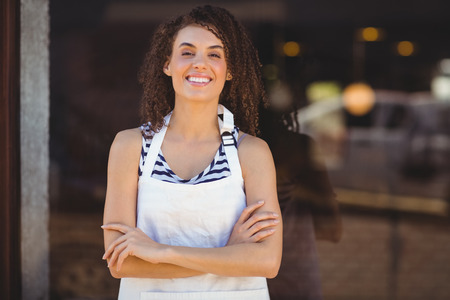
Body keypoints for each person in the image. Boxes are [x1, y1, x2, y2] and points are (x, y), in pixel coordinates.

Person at [102, 5, 282, 299]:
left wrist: (160, 252)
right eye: (187, 52)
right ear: (167, 64)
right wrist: (229, 255)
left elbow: (267, 261)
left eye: (214, 54)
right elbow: (121, 263)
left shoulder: (251, 152)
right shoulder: (130, 146)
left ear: (230, 70)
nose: (200, 63)